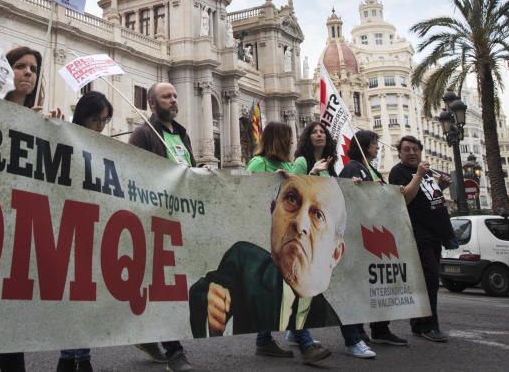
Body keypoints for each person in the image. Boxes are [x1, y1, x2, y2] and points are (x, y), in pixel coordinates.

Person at [0, 45, 59, 372]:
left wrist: (54, 130)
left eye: (33, 68)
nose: (28, 73)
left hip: (19, 232)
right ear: (5, 70)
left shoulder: (39, 120)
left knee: (0, 320)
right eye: (20, 66)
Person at [189, 175, 344, 357]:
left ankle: (273, 341)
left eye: (318, 215)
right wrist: (210, 306)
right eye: (291, 199)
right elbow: (207, 292)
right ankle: (303, 343)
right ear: (273, 210)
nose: (300, 224)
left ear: (335, 253)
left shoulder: (329, 316)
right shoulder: (245, 262)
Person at [127, 82, 195, 372]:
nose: (174, 100)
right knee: (164, 287)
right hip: (154, 220)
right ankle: (174, 350)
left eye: (175, 95)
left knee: (168, 287)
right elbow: (131, 172)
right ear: (152, 104)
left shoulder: (182, 134)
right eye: (166, 96)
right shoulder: (143, 134)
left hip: (182, 219)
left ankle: (146, 335)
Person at [55, 91, 113, 372]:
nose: (100, 127)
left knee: (84, 296)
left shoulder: (102, 145)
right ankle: (74, 357)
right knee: (73, 297)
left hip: (93, 227)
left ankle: (75, 356)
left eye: (104, 121)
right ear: (83, 116)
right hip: (67, 225)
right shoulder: (66, 136)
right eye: (96, 120)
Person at [338, 130, 407, 348]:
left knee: (378, 285)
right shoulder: (351, 168)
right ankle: (358, 330)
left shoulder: (372, 170)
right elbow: (347, 197)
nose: (377, 148)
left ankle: (380, 327)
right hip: (361, 237)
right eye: (375, 144)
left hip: (377, 235)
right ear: (365, 146)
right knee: (360, 286)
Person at [387, 135, 453, 343]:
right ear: (399, 153)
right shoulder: (399, 172)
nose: (412, 152)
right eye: (406, 149)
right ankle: (429, 325)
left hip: (434, 233)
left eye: (415, 149)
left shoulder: (424, 174)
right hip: (417, 233)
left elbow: (425, 199)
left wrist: (440, 187)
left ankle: (419, 324)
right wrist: (418, 175)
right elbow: (405, 198)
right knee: (429, 280)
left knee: (428, 280)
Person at [244, 122, 296, 359]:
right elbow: (245, 193)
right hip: (264, 233)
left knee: (283, 288)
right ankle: (305, 343)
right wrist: (269, 181)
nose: (291, 142)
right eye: (288, 138)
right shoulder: (258, 163)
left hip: (289, 235)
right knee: (280, 287)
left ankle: (264, 339)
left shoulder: (289, 165)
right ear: (277, 139)